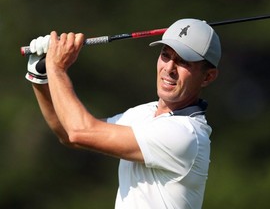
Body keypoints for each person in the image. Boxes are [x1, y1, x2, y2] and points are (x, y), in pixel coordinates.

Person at [26, 18, 221, 209]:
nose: (169, 68)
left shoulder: (186, 134)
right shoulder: (143, 113)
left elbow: (80, 131)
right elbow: (67, 132)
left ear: (207, 76)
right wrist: (40, 77)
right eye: (166, 55)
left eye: (184, 62)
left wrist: (56, 68)